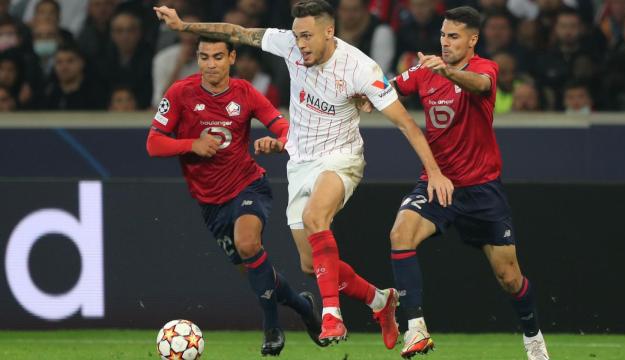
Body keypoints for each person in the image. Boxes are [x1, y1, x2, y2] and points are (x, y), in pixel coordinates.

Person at [154, 0, 454, 348]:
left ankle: (331, 316)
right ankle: (378, 300)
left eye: (308, 36)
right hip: (300, 162)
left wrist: (434, 172)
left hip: (342, 158)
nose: (301, 44)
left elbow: (406, 123)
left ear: (329, 32)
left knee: (315, 217)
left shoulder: (360, 68)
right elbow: (237, 32)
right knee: (312, 265)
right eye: (297, 36)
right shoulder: (290, 45)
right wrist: (183, 26)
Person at [386, 6, 550, 359]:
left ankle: (533, 338)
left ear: (473, 40)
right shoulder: (424, 71)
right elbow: (388, 92)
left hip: (481, 190)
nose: (445, 42)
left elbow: (481, 85)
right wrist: (360, 91)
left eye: (454, 36)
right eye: (443, 35)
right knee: (400, 233)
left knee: (509, 277)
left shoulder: (483, 69)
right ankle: (415, 330)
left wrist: (446, 71)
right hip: (438, 183)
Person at [145, 36, 322, 357]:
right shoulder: (180, 93)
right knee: (255, 271)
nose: (210, 64)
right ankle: (303, 306)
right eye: (203, 57)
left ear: (231, 58)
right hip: (211, 205)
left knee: (248, 244)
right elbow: (153, 143)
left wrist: (279, 140)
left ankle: (271, 329)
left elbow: (282, 126)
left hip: (248, 185)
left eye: (217, 57)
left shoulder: (245, 93)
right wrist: (191, 144)